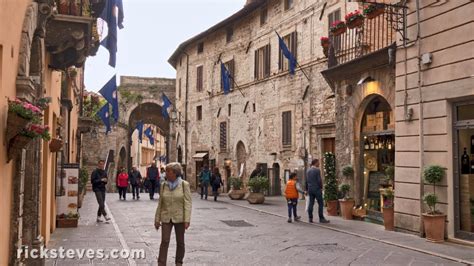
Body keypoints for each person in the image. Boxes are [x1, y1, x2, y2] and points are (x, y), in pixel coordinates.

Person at [155, 162, 192, 266]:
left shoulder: (184, 185)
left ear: (175, 173)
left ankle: (179, 262)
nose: (166, 174)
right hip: (166, 217)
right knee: (164, 241)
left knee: (180, 242)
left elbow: (188, 203)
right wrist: (157, 219)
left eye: (168, 171)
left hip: (180, 218)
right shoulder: (163, 185)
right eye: (166, 171)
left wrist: (187, 219)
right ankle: (161, 263)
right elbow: (160, 203)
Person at [305, 159, 330, 224]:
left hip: (310, 189)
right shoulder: (317, 170)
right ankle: (321, 218)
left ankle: (310, 218)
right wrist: (321, 187)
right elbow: (319, 180)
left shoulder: (308, 170)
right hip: (317, 189)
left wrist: (306, 189)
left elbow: (306, 181)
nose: (319, 164)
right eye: (318, 162)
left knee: (311, 203)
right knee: (321, 204)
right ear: (315, 163)